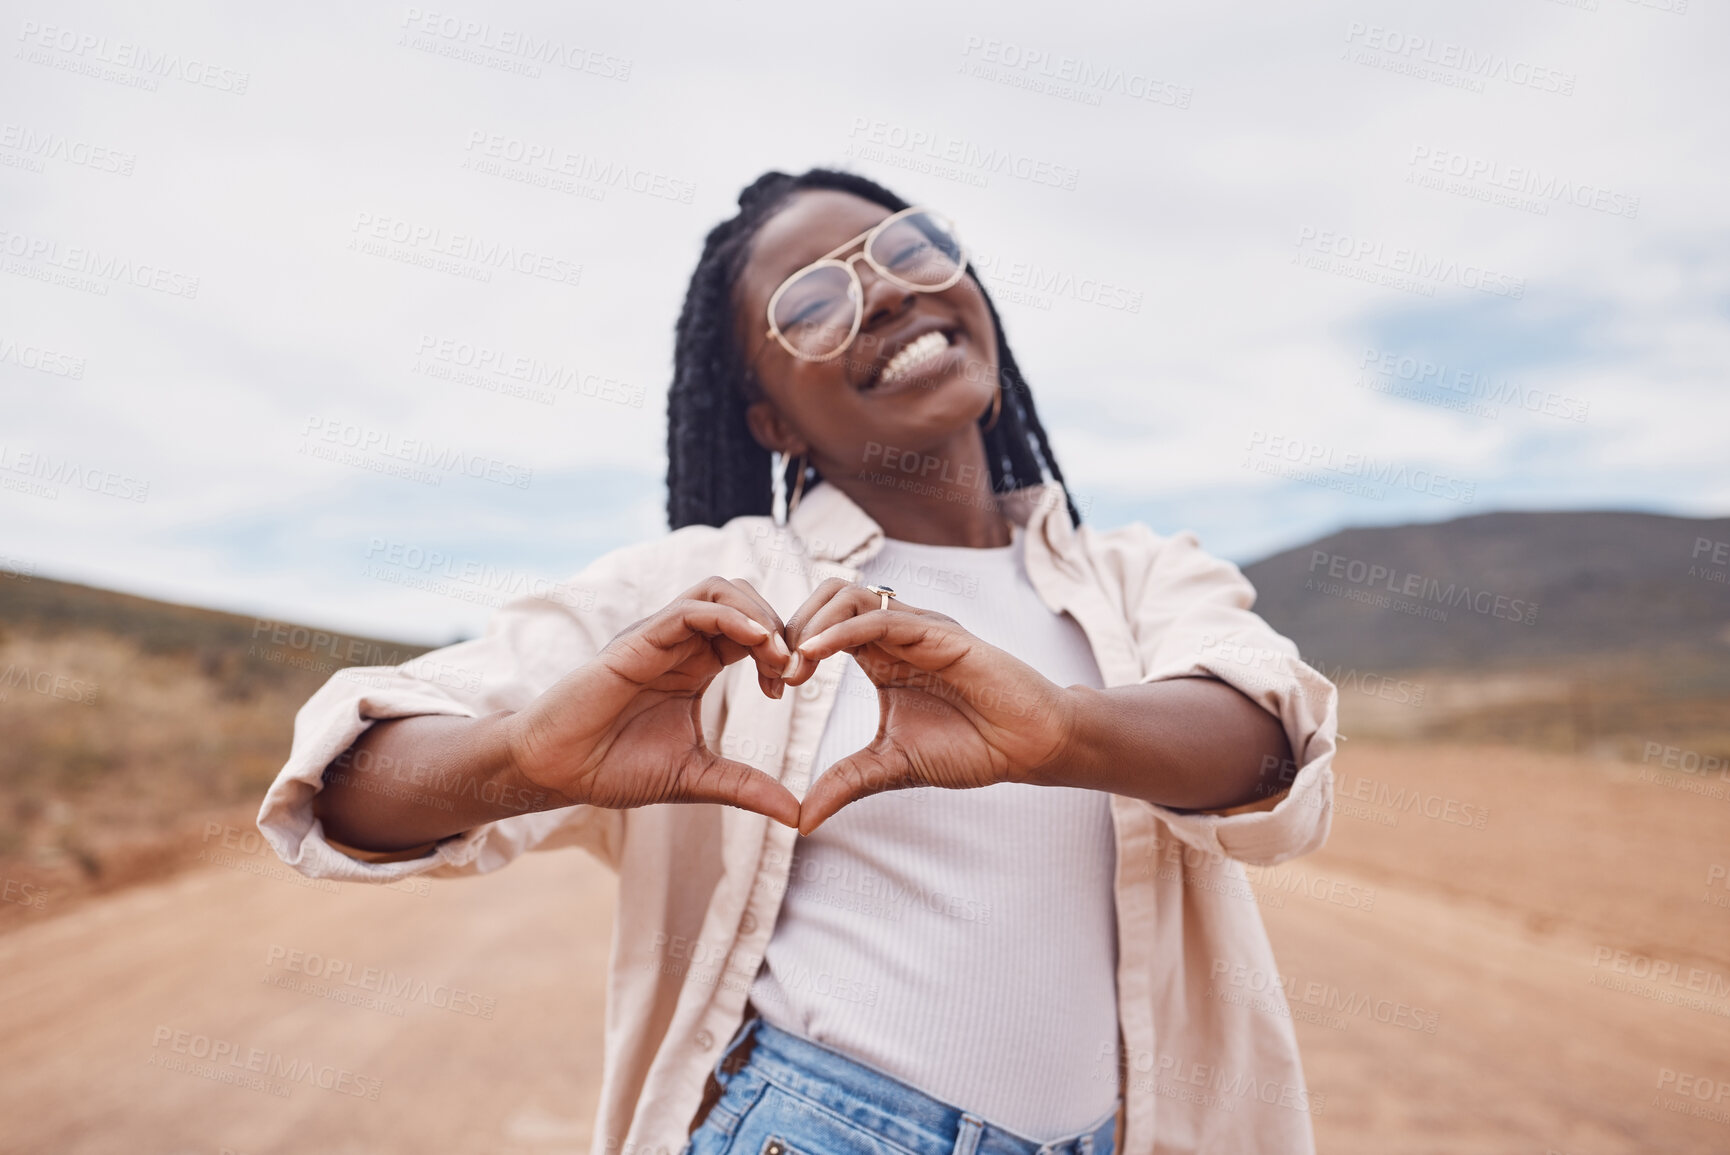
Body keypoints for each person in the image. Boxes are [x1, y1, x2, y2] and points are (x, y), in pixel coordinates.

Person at [259, 167, 1339, 1155]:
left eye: (910, 252)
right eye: (813, 303)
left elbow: (1265, 743)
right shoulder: (697, 588)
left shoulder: (1138, 578)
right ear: (772, 420)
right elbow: (351, 781)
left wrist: (1061, 731)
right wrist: (527, 757)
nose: (886, 295)